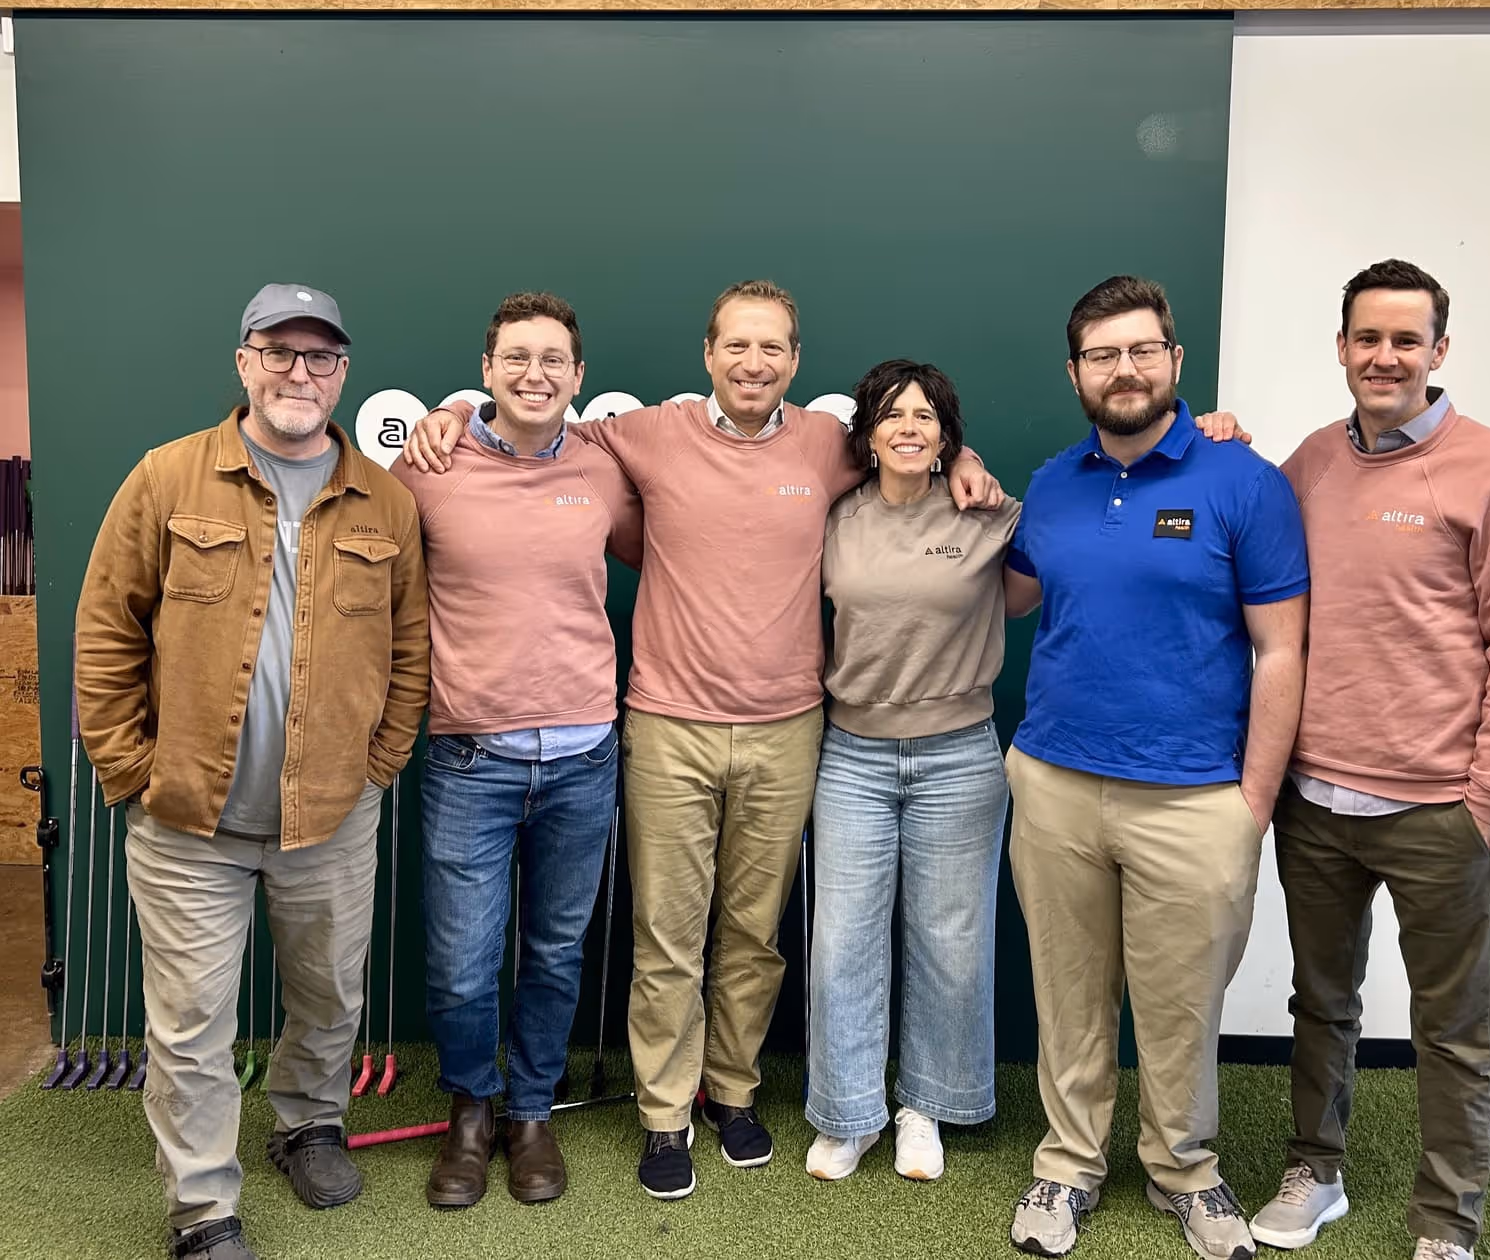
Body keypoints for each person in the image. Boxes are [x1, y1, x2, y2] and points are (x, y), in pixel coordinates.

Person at [403, 279, 1001, 1199]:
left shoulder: (824, 444)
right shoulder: (639, 434)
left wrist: (967, 461)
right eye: (737, 347)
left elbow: (907, 446)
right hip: (666, 723)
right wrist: (451, 408)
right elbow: (530, 418)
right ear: (708, 355)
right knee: (667, 933)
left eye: (772, 349)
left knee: (753, 934)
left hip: (789, 727)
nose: (754, 364)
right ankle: (664, 1111)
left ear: (795, 362)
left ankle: (733, 1089)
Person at [74, 284, 429, 1260]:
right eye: (279, 353)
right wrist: (130, 771)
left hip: (332, 815)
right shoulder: (167, 479)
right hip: (187, 816)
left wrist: (379, 766)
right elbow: (106, 634)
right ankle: (203, 1209)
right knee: (190, 1022)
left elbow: (410, 650)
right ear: (243, 363)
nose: (299, 374)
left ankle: (309, 1125)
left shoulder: (385, 501)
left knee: (328, 996)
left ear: (343, 374)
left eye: (319, 358)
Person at [1243, 260, 1490, 1260]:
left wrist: (1486, 802)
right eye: (1365, 338)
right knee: (1321, 1003)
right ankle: (1316, 1171)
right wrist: (1217, 442)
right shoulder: (1307, 464)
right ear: (1340, 346)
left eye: (1404, 340)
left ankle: (1445, 1220)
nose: (1383, 357)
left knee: (1453, 1027)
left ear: (1437, 351)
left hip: (1436, 811)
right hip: (1315, 802)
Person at [1003, 275, 1308, 1260]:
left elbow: (1280, 651)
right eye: (1102, 354)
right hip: (1054, 783)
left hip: (1195, 797)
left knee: (1179, 1003)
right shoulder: (1052, 484)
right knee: (1069, 990)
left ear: (1174, 362)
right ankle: (1067, 1164)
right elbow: (1005, 592)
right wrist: (955, 478)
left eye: (1141, 351)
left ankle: (1185, 1169)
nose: (1123, 370)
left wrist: (1250, 804)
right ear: (1075, 372)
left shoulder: (1244, 481)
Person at [388, 292, 641, 1210]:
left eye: (555, 361)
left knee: (556, 952)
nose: (536, 374)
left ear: (578, 377)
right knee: (460, 962)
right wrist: (441, 416)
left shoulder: (604, 467)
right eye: (517, 358)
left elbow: (664, 549)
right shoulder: (431, 465)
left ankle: (531, 1112)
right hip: (469, 757)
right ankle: (471, 1110)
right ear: (487, 369)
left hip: (584, 755)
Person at [804, 360, 1020, 1184]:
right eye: (893, 414)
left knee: (951, 942)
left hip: (959, 756)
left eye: (926, 416)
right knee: (843, 941)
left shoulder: (987, 513)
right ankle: (848, 1113)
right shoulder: (835, 518)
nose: (909, 426)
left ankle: (922, 1106)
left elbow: (1043, 579)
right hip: (852, 753)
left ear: (947, 435)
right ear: (867, 432)